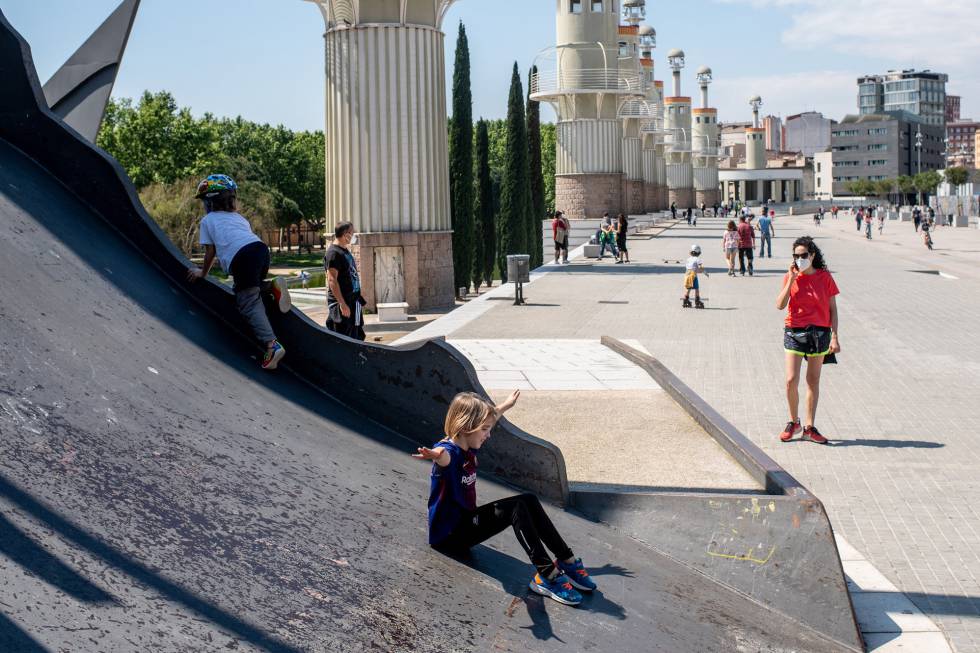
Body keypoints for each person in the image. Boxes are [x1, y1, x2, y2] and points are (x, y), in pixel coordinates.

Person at [414, 391, 596, 606]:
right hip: (448, 536)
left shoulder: (466, 441)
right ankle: (548, 575)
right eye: (484, 430)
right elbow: (442, 455)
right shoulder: (449, 452)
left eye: (488, 428)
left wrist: (505, 406)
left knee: (528, 499)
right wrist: (433, 455)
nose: (488, 435)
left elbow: (489, 418)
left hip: (466, 523)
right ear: (465, 427)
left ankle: (567, 560)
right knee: (515, 508)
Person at [186, 174, 290, 371]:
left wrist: (202, 272)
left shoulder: (208, 220)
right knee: (252, 287)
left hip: (242, 257)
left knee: (247, 301)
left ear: (209, 202)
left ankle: (272, 345)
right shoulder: (239, 218)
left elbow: (211, 251)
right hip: (260, 250)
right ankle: (272, 286)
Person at [776, 237, 840, 445]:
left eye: (804, 255)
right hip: (794, 331)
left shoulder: (825, 277)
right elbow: (780, 304)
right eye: (797, 256)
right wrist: (792, 279)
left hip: (819, 333)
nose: (800, 259)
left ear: (812, 255)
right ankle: (793, 422)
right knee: (790, 380)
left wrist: (835, 336)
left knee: (813, 380)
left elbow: (833, 309)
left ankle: (809, 427)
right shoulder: (790, 277)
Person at [325, 221, 366, 341]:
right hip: (342, 306)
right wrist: (342, 304)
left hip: (353, 303)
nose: (353, 235)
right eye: (352, 233)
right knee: (343, 338)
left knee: (357, 337)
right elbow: (332, 280)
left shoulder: (344, 251)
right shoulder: (333, 253)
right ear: (345, 234)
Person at [683, 244, 707, 309]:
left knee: (689, 288)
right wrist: (704, 272)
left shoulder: (688, 259)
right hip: (693, 276)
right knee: (697, 288)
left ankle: (685, 300)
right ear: (699, 252)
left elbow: (688, 268)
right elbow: (700, 267)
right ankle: (697, 301)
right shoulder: (698, 259)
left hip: (687, 275)